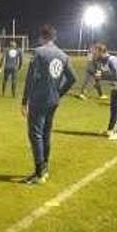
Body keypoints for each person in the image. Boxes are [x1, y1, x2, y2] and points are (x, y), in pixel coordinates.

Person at [21, 24, 77, 185]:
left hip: (39, 99)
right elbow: (73, 78)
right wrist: (59, 93)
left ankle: (39, 173)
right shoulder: (63, 55)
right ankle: (44, 168)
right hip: (53, 100)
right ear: (54, 38)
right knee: (46, 133)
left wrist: (25, 101)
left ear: (42, 37)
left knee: (35, 134)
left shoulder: (39, 52)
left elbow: (30, 78)